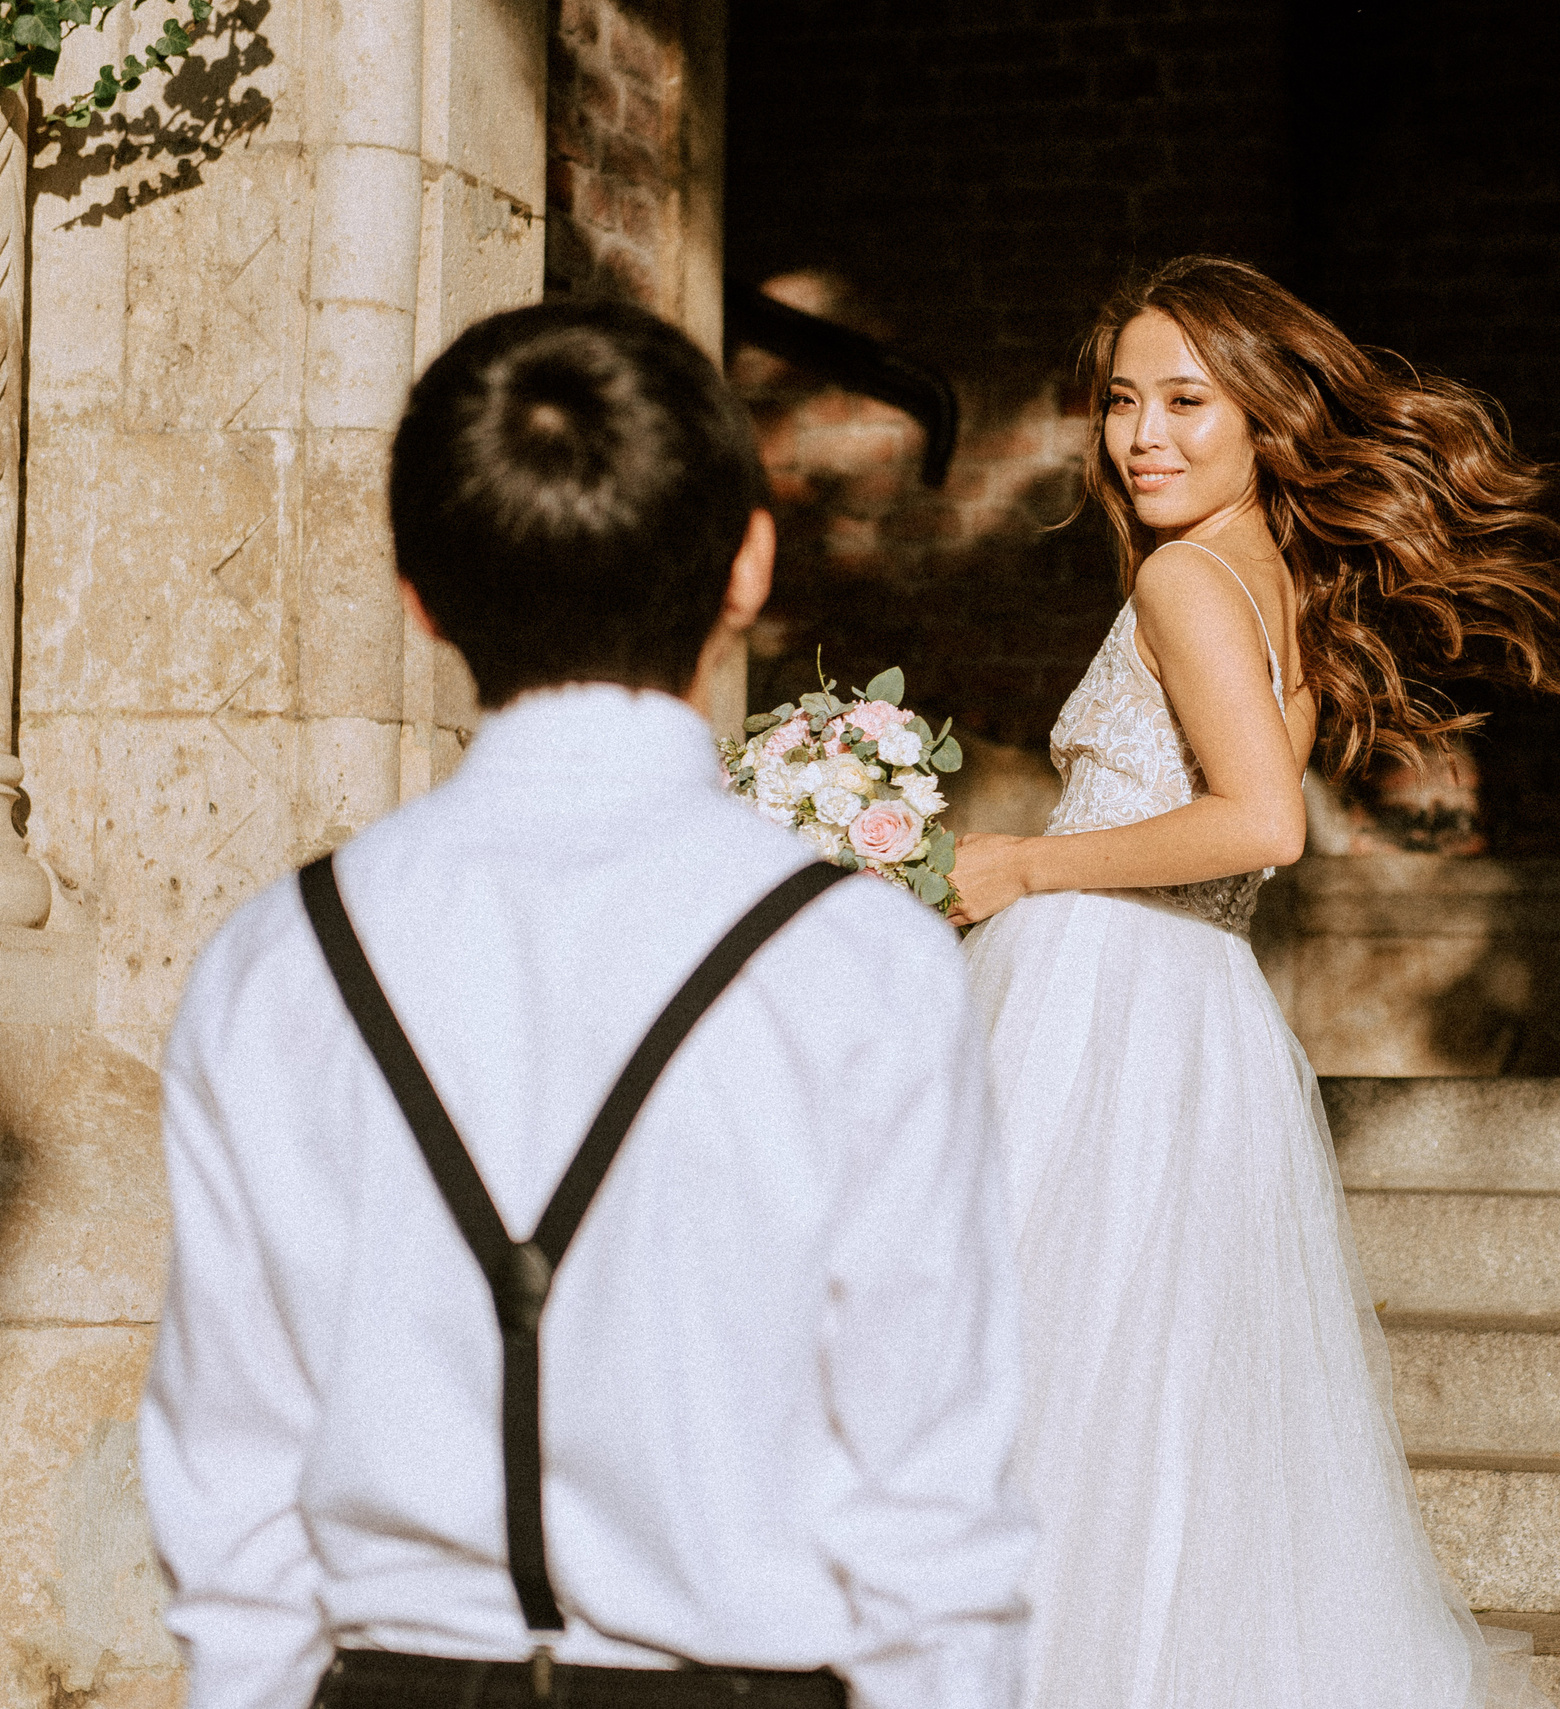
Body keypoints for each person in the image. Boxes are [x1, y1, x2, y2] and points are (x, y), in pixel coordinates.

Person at [140, 300, 1033, 1709]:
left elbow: (231, 1477)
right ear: (748, 562)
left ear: (416, 592)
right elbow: (930, 1502)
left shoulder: (275, 961)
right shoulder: (861, 966)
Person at [946, 256, 1560, 1709]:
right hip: (1182, 997)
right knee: (1135, 1377)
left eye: (1185, 399)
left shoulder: (1182, 577)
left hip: (1112, 996)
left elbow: (1261, 824)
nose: (1141, 435)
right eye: (1119, 402)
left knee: (1044, 1360)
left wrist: (1019, 864)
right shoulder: (1272, 573)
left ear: (1266, 415)